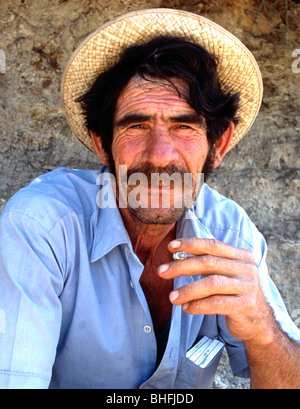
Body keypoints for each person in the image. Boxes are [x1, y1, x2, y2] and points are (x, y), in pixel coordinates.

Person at [0, 9, 299, 390]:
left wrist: (264, 332)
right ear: (102, 145)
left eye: (184, 126)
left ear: (217, 145)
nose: (160, 155)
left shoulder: (230, 233)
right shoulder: (42, 227)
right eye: (137, 126)